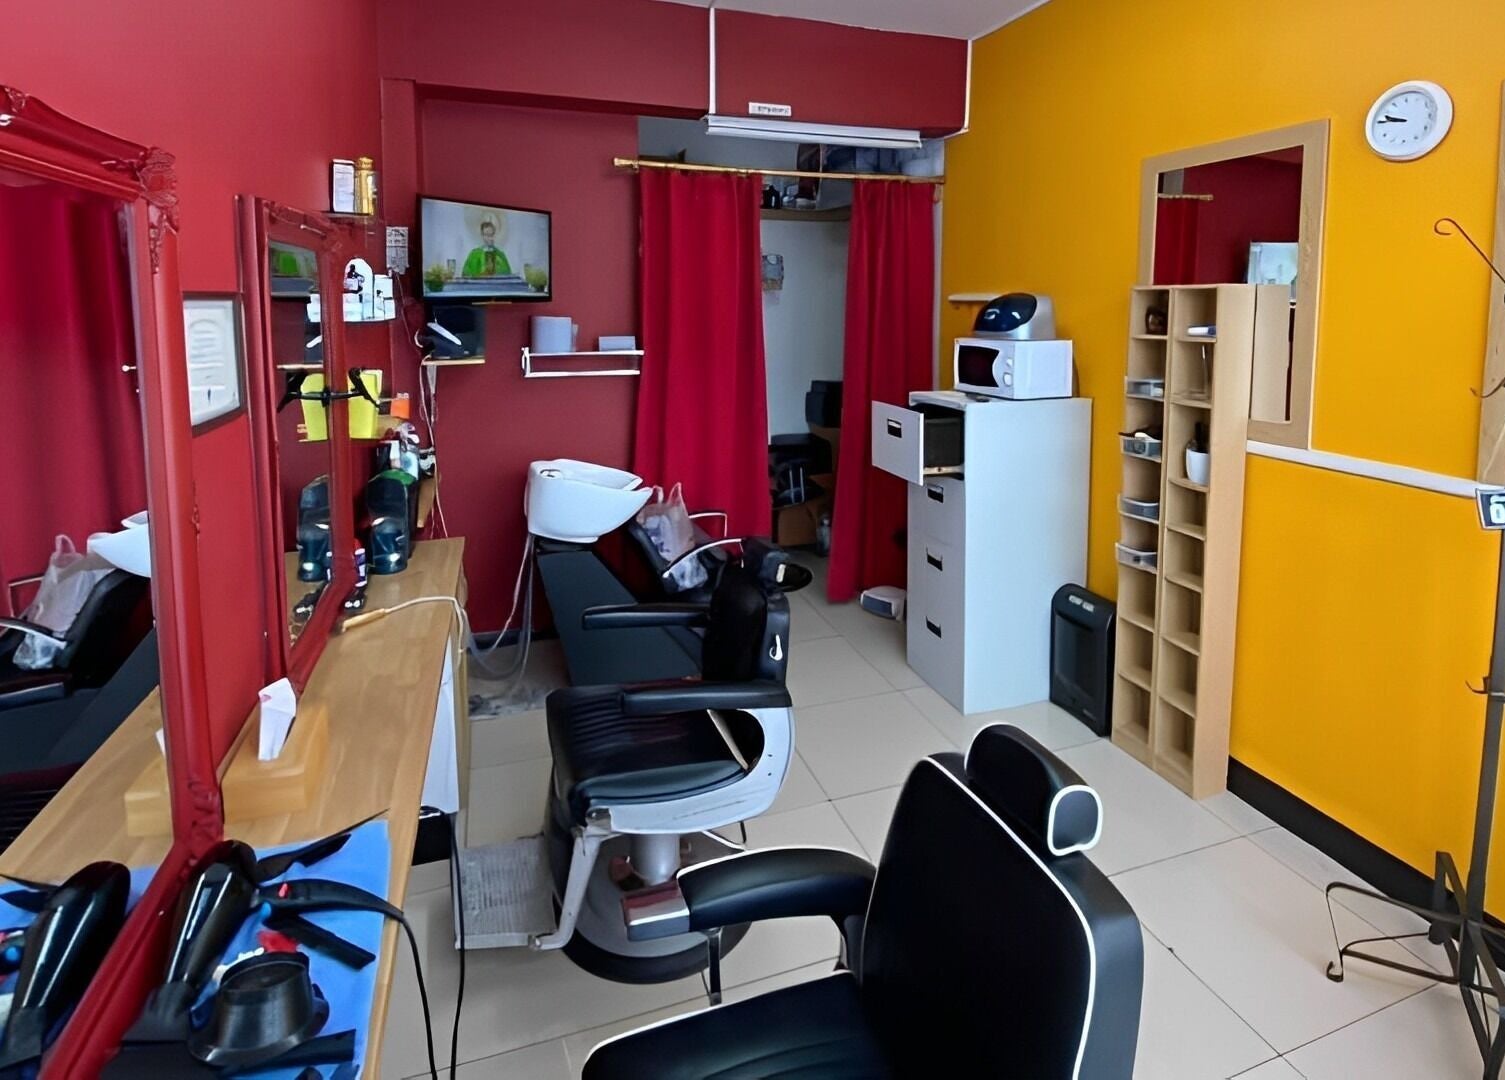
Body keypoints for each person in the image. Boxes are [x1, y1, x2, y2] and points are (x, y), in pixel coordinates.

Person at [462, 213, 512, 278]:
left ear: (494, 235)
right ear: (482, 235)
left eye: (491, 235)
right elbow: (465, 274)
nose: (489, 238)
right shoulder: (474, 254)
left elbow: (508, 275)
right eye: (486, 235)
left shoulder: (500, 255)